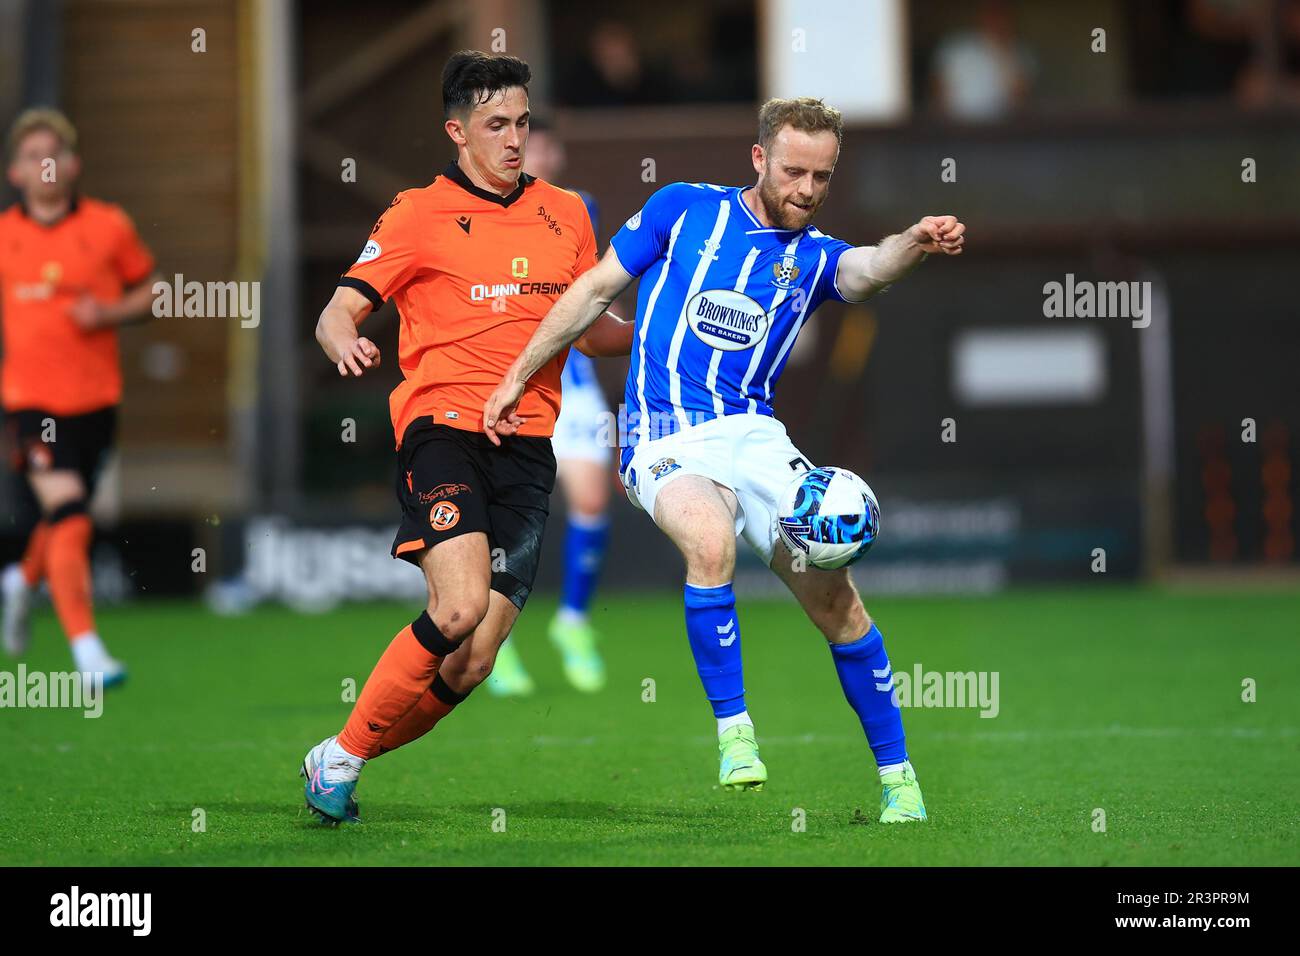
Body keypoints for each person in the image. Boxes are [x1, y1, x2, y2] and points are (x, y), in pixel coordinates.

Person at [484, 97, 965, 823]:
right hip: (664, 436)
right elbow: (593, 291)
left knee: (839, 605)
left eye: (822, 177)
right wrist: (519, 375)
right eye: (794, 171)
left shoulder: (814, 256)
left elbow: (870, 270)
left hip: (757, 439)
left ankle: (900, 781)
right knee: (710, 543)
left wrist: (914, 241)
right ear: (758, 159)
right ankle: (735, 734)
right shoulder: (682, 210)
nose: (807, 189)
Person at [301, 51, 632, 824]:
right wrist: (342, 340)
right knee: (456, 609)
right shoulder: (417, 212)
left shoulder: (567, 213)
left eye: (521, 122)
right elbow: (337, 310)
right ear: (457, 132)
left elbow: (589, 331)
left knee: (474, 658)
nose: (514, 139)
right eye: (496, 125)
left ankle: (340, 752)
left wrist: (656, 328)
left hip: (527, 444)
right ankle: (345, 760)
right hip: (441, 428)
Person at [0, 108, 160, 686]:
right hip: (29, 402)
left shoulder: (108, 225)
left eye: (54, 153)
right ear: (15, 172)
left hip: (94, 400)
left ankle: (20, 580)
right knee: (67, 512)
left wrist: (109, 311)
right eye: (31, 156)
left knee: (68, 515)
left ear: (72, 164)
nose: (44, 165)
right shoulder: (4, 237)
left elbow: (150, 290)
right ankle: (87, 650)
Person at [486, 120, 610, 697]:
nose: (531, 150)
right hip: (501, 378)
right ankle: (496, 639)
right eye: (522, 140)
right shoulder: (478, 209)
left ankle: (573, 621)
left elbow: (590, 291)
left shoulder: (577, 207)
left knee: (591, 498)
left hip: (571, 378)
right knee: (503, 515)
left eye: (541, 142)